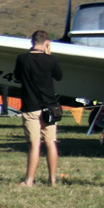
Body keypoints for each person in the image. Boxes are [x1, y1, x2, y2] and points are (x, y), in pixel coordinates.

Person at [13, 30, 64, 187]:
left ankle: (29, 180)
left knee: (35, 144)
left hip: (31, 106)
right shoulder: (51, 60)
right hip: (50, 106)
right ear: (47, 42)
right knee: (50, 142)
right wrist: (49, 55)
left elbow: (17, 77)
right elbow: (59, 76)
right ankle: (52, 180)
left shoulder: (22, 59)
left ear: (32, 41)